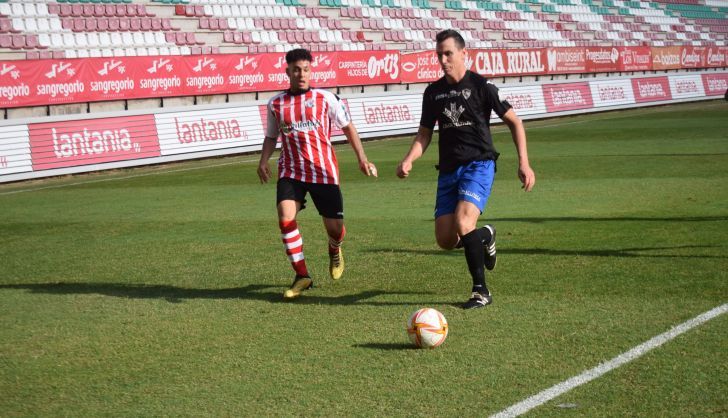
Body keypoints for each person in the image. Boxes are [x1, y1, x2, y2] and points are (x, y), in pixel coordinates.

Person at [396, 30, 536, 309]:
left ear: (463, 54)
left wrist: (524, 162)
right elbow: (424, 134)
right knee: (446, 240)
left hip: (479, 163)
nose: (443, 59)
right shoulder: (433, 92)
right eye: (439, 55)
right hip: (448, 170)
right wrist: (409, 159)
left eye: (448, 53)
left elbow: (515, 122)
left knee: (463, 222)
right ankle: (486, 235)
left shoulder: (482, 87)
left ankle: (481, 291)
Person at [258, 48, 378, 300]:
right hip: (291, 171)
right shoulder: (276, 104)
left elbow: (348, 128)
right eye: (296, 70)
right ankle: (302, 275)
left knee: (335, 229)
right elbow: (271, 136)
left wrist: (362, 159)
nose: (301, 74)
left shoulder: (326, 99)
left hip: (323, 171)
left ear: (310, 71)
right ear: (287, 71)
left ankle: (335, 248)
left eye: (306, 69)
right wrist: (263, 161)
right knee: (285, 216)